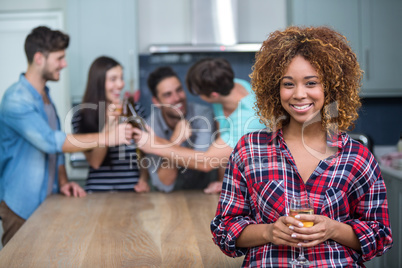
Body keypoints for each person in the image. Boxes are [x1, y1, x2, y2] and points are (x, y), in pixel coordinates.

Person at [210, 26, 393, 267]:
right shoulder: (249, 149)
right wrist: (268, 233)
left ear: (331, 88)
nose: (299, 94)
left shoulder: (356, 156)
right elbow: (224, 229)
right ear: (275, 89)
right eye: (288, 84)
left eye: (311, 83)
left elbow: (380, 235)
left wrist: (333, 229)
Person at [0, 26, 134, 246]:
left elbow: (56, 152)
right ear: (39, 58)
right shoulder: (17, 99)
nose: (65, 64)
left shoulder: (45, 96)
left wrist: (63, 181)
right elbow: (52, 142)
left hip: (48, 201)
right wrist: (108, 137)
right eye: (60, 58)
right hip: (21, 205)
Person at [133, 58, 266, 194]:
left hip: (260, 186)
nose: (179, 98)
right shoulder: (227, 84)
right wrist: (223, 182)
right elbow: (223, 149)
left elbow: (207, 161)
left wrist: (157, 146)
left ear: (213, 95)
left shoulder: (249, 119)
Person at [72, 56, 149, 193]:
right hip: (97, 194)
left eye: (121, 78)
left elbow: (142, 155)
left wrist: (144, 178)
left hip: (133, 192)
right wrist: (109, 123)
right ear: (98, 83)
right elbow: (95, 162)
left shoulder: (135, 110)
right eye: (113, 79)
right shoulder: (82, 116)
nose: (120, 84)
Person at [145, 66, 216, 192]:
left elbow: (203, 161)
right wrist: (175, 141)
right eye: (168, 95)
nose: (177, 98)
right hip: (168, 199)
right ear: (156, 101)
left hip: (204, 193)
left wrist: (161, 147)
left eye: (179, 90)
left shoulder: (203, 114)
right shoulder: (150, 126)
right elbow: (164, 184)